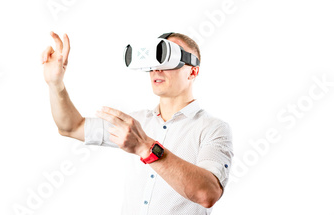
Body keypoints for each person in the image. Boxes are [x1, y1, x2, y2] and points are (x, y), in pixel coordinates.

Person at [41, 31, 233, 215]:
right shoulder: (136, 123)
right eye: (154, 60)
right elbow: (71, 127)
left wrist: (146, 148)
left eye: (168, 59)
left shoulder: (213, 129)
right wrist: (55, 84)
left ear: (193, 72)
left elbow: (207, 194)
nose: (157, 69)